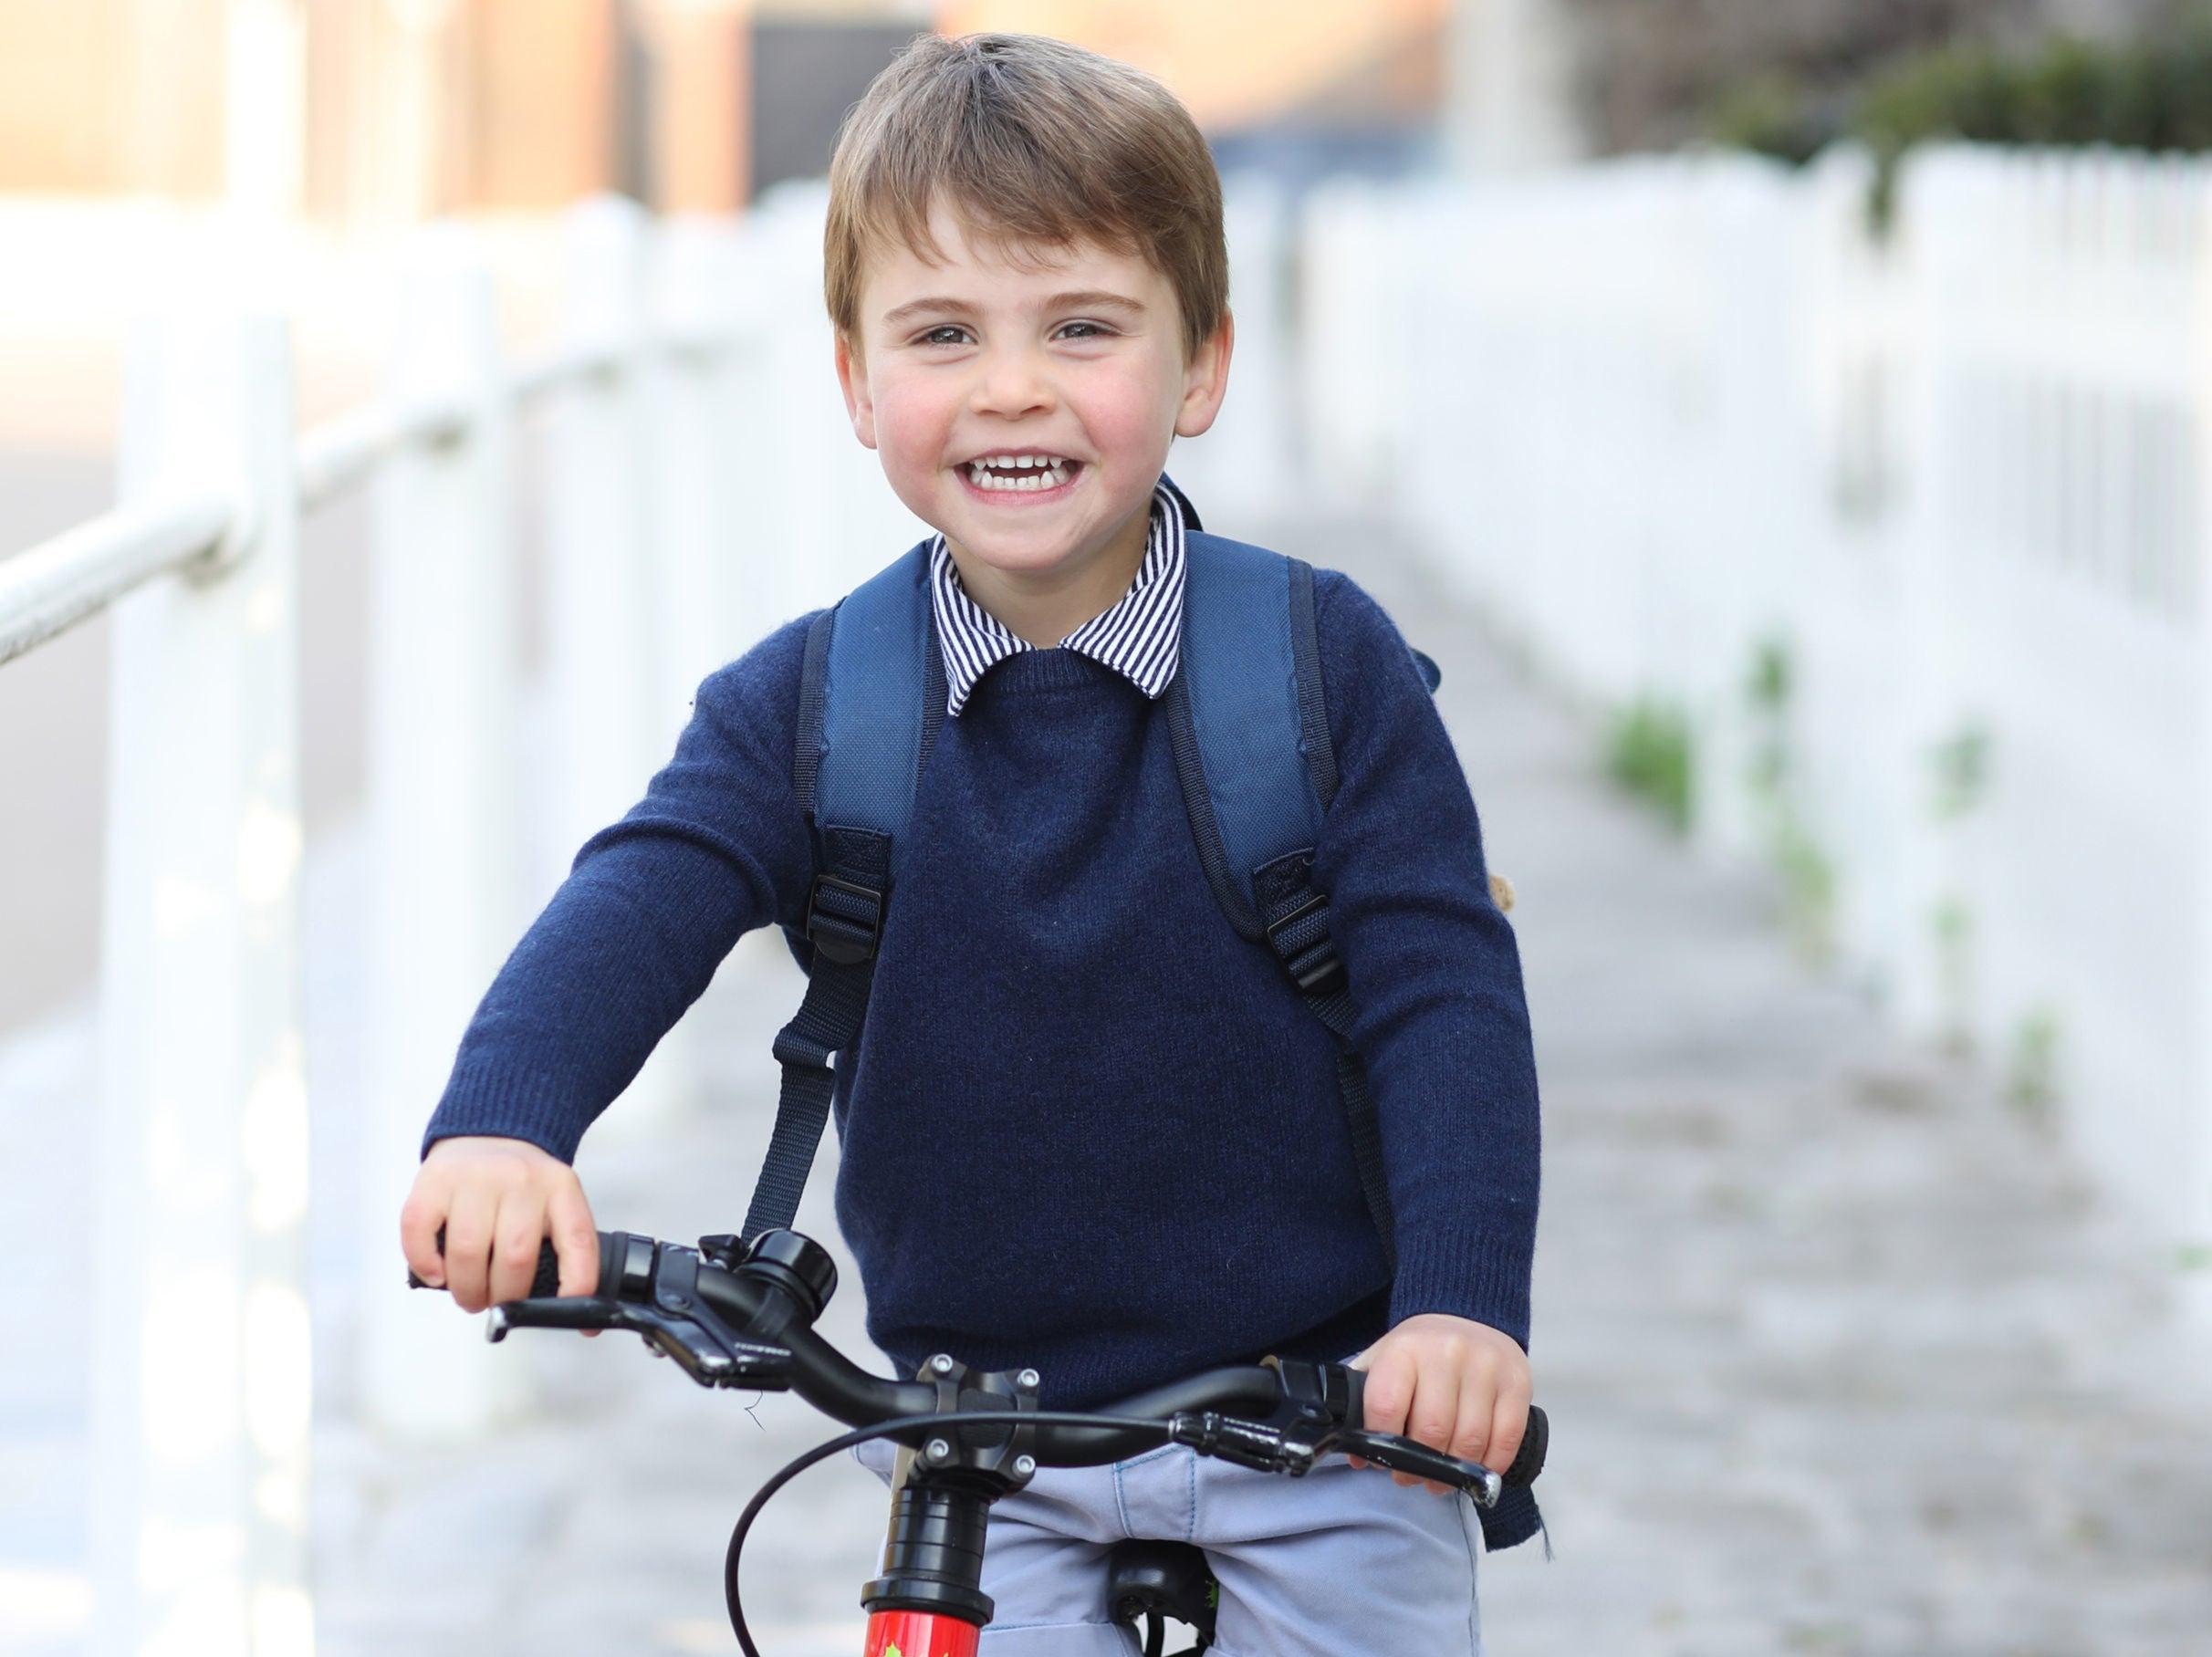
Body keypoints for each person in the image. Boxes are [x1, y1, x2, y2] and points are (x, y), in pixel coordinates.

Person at [401, 31, 1541, 1654]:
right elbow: (646, 889)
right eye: (944, 334)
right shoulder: (809, 704)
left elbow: (1445, 990)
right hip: (977, 1441)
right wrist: (506, 1125)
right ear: (860, 384)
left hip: (1326, 1419)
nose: (1014, 387)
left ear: (1202, 365)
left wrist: (1459, 1309)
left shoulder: (1319, 666)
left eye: (1083, 327)